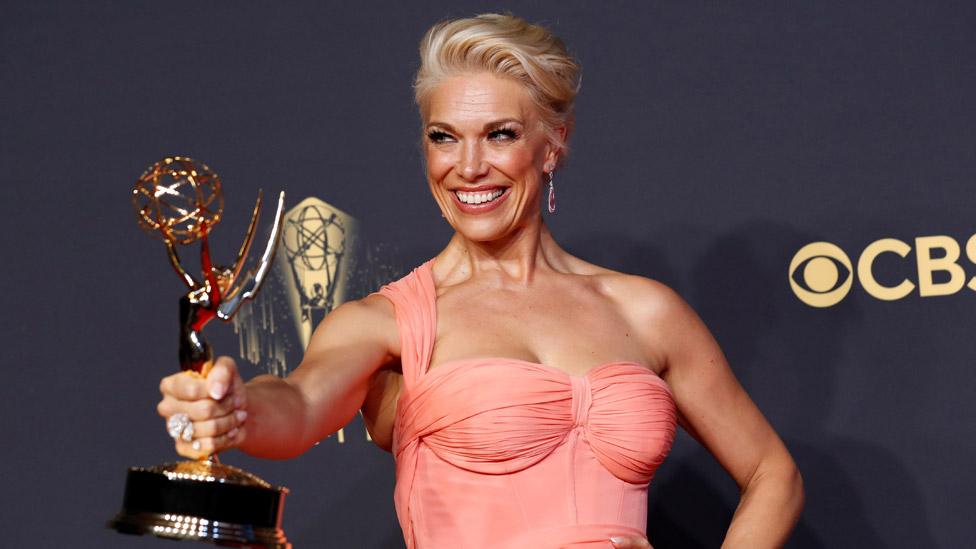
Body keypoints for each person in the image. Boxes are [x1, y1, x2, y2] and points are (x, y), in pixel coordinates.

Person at [157, 13, 804, 548]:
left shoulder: (645, 311)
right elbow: (298, 406)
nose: (468, 167)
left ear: (553, 143)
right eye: (444, 138)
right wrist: (235, 412)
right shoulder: (388, 320)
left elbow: (772, 472)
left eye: (500, 135)